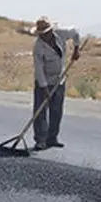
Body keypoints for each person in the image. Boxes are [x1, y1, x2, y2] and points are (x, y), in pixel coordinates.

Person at [30, 16, 81, 151]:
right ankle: (40, 139)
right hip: (44, 81)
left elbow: (75, 33)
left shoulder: (62, 34)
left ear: (51, 30)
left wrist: (76, 49)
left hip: (60, 79)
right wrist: (44, 87)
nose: (44, 36)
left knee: (56, 110)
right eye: (41, 34)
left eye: (46, 33)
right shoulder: (38, 47)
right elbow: (39, 69)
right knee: (40, 111)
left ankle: (52, 138)